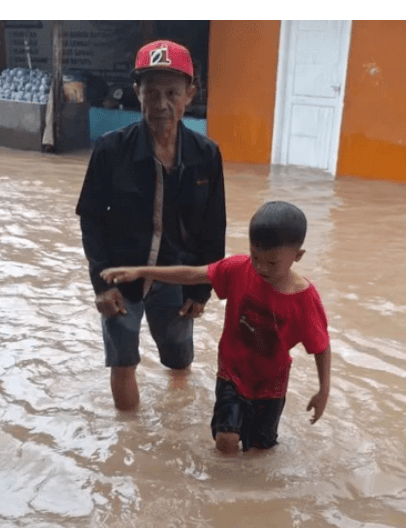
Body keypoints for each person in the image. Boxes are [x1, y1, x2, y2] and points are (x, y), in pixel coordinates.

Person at [101, 201, 331, 454]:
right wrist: (142, 272)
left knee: (260, 451)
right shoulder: (239, 269)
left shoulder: (304, 300)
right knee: (226, 439)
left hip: (270, 384)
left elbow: (321, 347)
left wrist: (323, 390)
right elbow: (192, 274)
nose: (262, 268)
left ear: (297, 256)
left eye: (273, 263)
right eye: (256, 257)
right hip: (232, 373)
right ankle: (222, 488)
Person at [76, 40, 227, 411]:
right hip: (121, 279)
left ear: (189, 95)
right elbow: (91, 219)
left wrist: (201, 291)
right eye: (151, 92)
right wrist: (100, 283)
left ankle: (174, 428)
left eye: (172, 93)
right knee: (122, 360)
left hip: (176, 279)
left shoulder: (206, 155)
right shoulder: (111, 149)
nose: (161, 104)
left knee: (179, 361)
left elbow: (214, 227)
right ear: (137, 93)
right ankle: (129, 445)